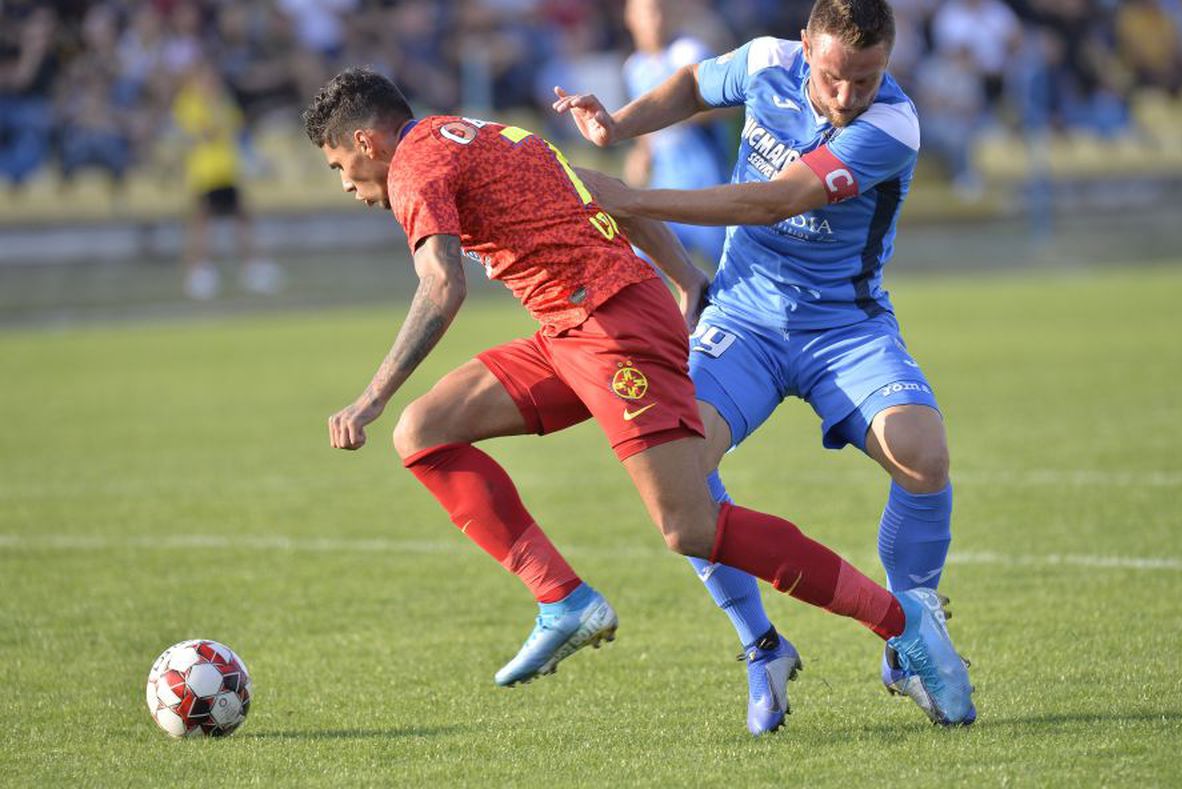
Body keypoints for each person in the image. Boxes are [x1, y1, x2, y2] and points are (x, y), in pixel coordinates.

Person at [302, 66, 974, 728]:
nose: (346, 185)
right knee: (425, 431)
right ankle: (564, 600)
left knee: (689, 524)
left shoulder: (411, 168)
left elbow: (442, 286)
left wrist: (371, 395)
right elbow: (605, 191)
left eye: (336, 166)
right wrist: (686, 279)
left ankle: (901, 622)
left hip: (610, 326)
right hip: (573, 325)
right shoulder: (476, 132)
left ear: (367, 142)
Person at [553, 0, 975, 733]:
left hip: (843, 325)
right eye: (837, 77)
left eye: (868, 81)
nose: (849, 98)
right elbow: (692, 84)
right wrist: (619, 125)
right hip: (742, 319)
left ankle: (914, 627)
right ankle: (761, 644)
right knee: (677, 475)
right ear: (807, 46)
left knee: (923, 453)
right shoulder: (764, 61)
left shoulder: (893, 127)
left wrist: (632, 197)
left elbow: (771, 200)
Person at [622, 0, 729, 267]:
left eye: (660, 11)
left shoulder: (688, 53)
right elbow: (643, 124)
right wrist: (642, 153)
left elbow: (728, 106)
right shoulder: (634, 68)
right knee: (641, 262)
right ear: (630, 18)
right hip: (664, 188)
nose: (655, 20)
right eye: (647, 13)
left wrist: (678, 112)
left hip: (707, 187)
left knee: (733, 270)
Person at [173, 59, 281, 300]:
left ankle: (253, 268)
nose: (210, 82)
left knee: (242, 218)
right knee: (201, 222)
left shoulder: (222, 102)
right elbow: (204, 132)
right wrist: (217, 122)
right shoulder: (189, 102)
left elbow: (236, 125)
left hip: (227, 169)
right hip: (204, 172)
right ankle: (199, 272)